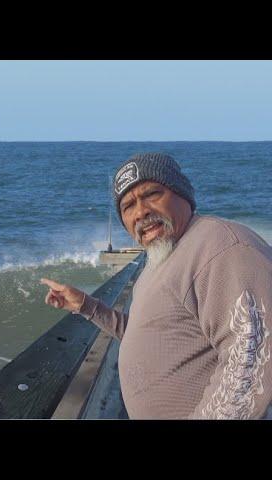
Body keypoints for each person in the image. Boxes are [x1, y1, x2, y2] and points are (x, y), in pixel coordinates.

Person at [41, 152, 272, 419]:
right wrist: (86, 305)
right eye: (128, 207)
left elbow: (251, 360)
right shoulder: (160, 258)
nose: (141, 212)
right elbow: (149, 334)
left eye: (152, 194)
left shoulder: (219, 247)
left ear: (182, 194)